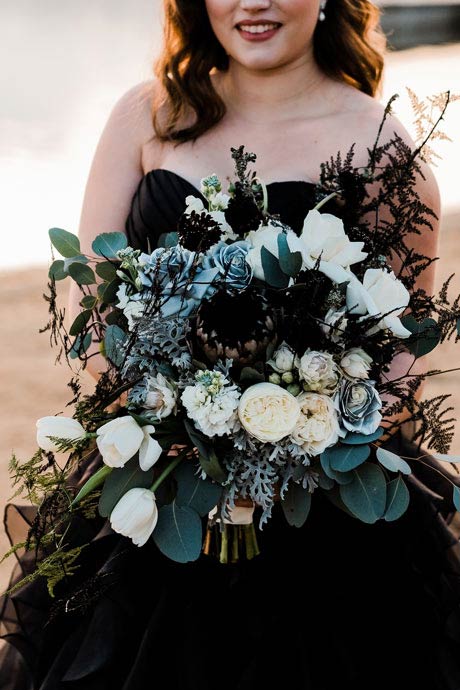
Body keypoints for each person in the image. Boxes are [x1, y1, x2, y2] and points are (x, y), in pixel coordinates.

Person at [1, 1, 460, 688]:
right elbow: (93, 306)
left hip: (326, 519)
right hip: (159, 487)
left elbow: (399, 365)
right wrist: (171, 411)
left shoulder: (384, 147)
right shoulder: (147, 116)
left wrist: (284, 434)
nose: (253, 3)